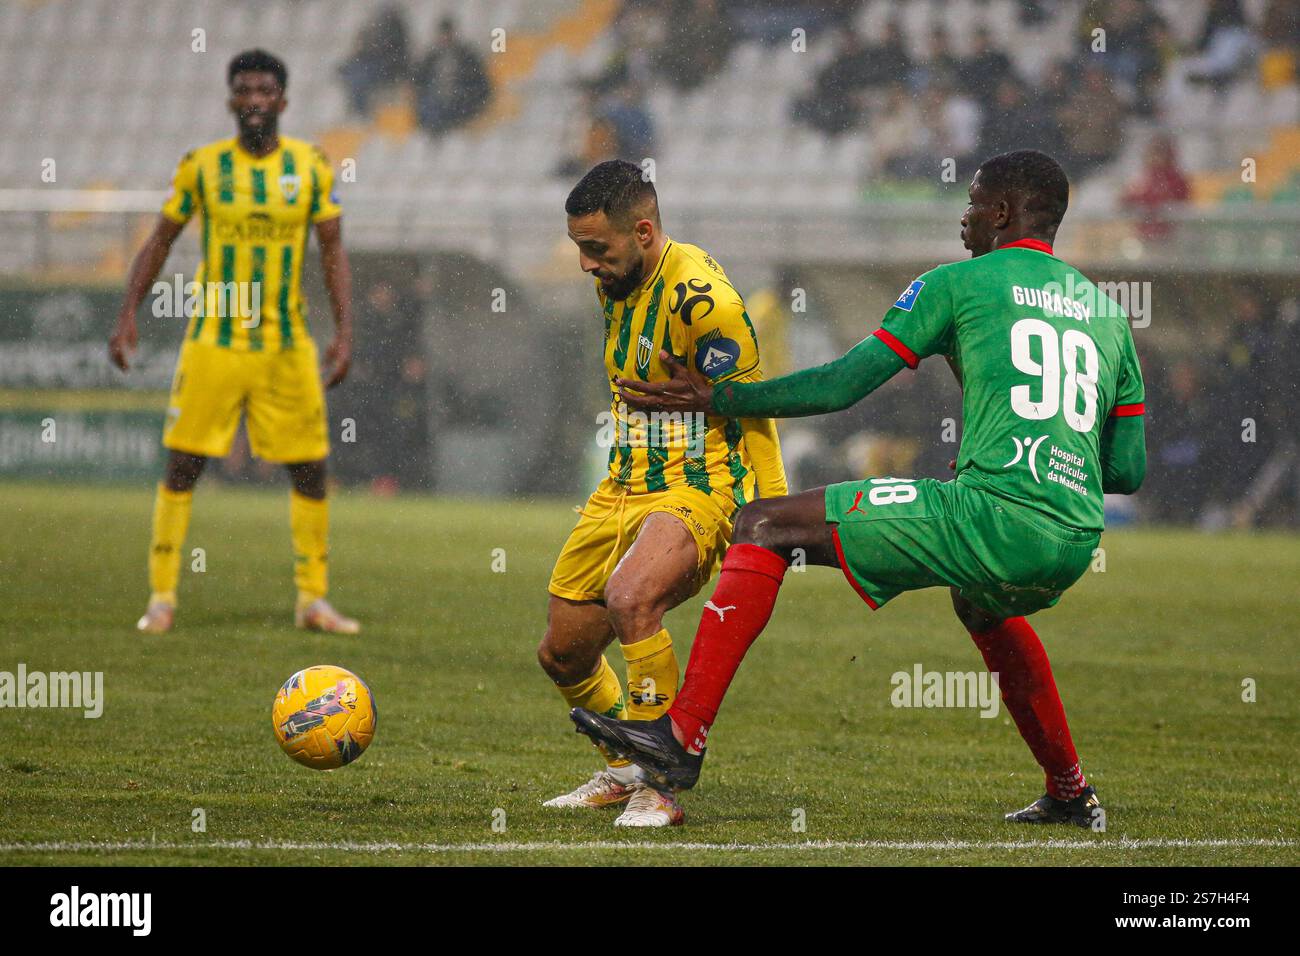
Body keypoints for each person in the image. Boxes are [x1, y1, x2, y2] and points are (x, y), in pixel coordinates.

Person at [573, 150, 1148, 827]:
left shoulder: (957, 285)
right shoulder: (1107, 316)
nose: (962, 217)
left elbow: (846, 383)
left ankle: (680, 739)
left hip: (992, 515)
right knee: (982, 605)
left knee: (763, 522)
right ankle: (1071, 791)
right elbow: (1127, 471)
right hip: (1074, 535)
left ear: (1001, 213)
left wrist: (721, 397)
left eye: (971, 202)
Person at [540, 161, 787, 827]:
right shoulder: (617, 276)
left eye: (597, 249)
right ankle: (623, 768)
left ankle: (661, 785)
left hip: (701, 485)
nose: (587, 264)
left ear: (644, 232)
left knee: (631, 598)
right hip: (623, 484)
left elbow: (756, 408)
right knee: (562, 652)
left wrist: (773, 516)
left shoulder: (708, 304)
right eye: (579, 248)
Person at [108, 50, 359, 635]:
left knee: (310, 468)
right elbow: (160, 240)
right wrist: (127, 314)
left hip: (285, 342)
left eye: (264, 90)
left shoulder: (310, 165)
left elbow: (333, 251)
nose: (253, 100)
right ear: (230, 100)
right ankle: (162, 597)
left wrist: (344, 331)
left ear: (282, 101)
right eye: (243, 90)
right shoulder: (202, 166)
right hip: (214, 340)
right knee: (184, 463)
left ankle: (313, 600)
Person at [413, 17, 492, 136]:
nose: (445, 38)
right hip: (436, 105)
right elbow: (418, 83)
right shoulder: (431, 58)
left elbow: (481, 84)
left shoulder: (467, 56)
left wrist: (466, 96)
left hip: (462, 104)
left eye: (447, 34)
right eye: (442, 34)